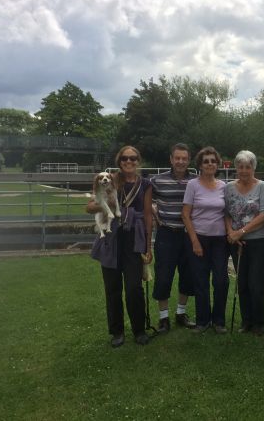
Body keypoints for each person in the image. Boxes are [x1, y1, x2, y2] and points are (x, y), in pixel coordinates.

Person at [88, 146, 153, 348]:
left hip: (134, 239)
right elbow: (90, 206)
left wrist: (149, 246)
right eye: (125, 158)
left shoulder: (146, 184)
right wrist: (109, 206)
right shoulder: (109, 179)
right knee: (112, 288)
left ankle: (139, 330)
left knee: (134, 288)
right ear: (119, 161)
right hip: (111, 238)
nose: (129, 161)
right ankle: (117, 331)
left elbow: (149, 215)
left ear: (138, 160)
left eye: (133, 158)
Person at [182, 147, 229, 334]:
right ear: (200, 165)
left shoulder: (224, 186)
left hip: (219, 240)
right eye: (206, 161)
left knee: (220, 280)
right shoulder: (192, 185)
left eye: (213, 161)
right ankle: (202, 321)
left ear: (217, 164)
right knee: (200, 281)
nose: (210, 164)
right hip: (198, 237)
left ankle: (218, 321)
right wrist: (194, 241)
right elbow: (185, 215)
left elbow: (227, 213)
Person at [151, 143, 196, 333]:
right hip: (166, 234)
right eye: (177, 158)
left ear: (188, 160)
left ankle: (180, 313)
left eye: (184, 158)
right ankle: (163, 318)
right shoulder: (157, 180)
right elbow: (146, 202)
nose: (180, 162)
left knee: (188, 275)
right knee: (163, 276)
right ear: (171, 159)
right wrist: (154, 213)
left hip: (188, 235)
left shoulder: (195, 181)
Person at [225, 150, 264, 336]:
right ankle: (246, 321)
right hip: (236, 242)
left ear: (253, 168)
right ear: (236, 168)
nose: (244, 170)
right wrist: (231, 233)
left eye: (248, 167)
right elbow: (226, 212)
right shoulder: (228, 187)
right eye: (241, 167)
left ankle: (258, 322)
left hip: (258, 241)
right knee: (242, 282)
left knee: (256, 283)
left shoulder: (262, 186)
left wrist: (241, 232)